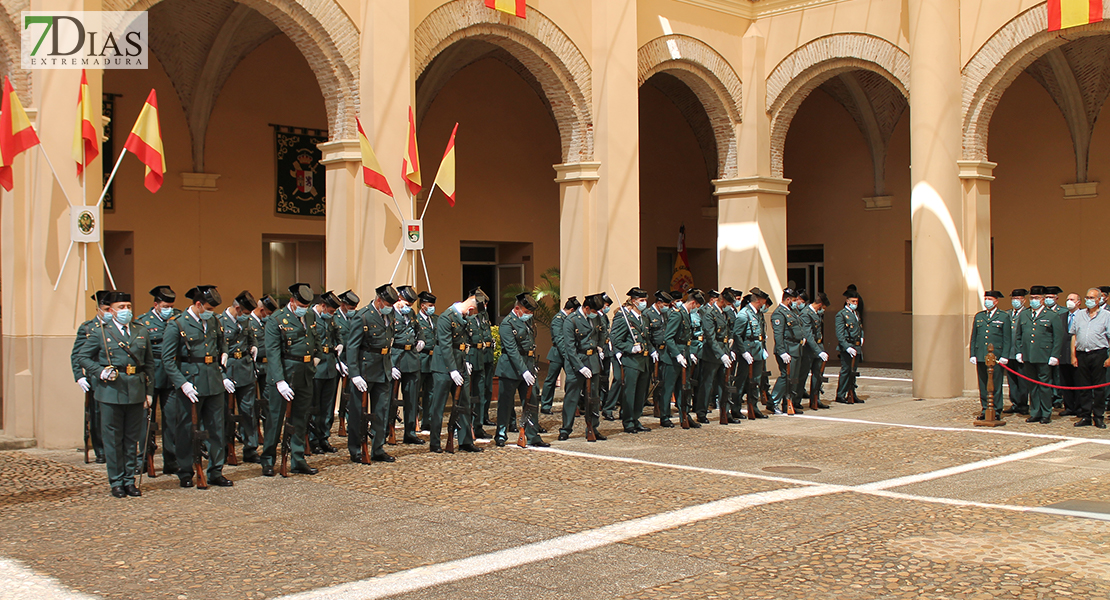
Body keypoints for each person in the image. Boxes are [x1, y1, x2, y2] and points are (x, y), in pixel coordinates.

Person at [77, 292, 155, 497]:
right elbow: (83, 357)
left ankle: (130, 480)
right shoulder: (100, 332)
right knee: (113, 439)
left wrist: (149, 392)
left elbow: (148, 364)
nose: (126, 311)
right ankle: (116, 481)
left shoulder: (140, 331)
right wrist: (99, 371)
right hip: (111, 392)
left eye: (128, 306)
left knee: (131, 439)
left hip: (136, 390)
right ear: (111, 311)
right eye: (121, 307)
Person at [163, 285, 235, 488]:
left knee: (216, 428)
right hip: (190, 382)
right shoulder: (177, 325)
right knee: (186, 429)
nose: (211, 312)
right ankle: (185, 471)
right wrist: (182, 383)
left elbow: (222, 343)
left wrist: (224, 354)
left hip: (213, 380)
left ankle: (215, 471)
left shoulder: (213, 321)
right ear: (197, 304)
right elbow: (168, 360)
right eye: (209, 308)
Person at [262, 283, 321, 475]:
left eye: (307, 305)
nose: (304, 309)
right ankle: (269, 459)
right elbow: (272, 352)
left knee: (300, 417)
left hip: (305, 373)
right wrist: (280, 380)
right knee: (275, 419)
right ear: (292, 302)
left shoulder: (310, 316)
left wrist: (316, 359)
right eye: (301, 305)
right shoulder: (276, 319)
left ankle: (297, 457)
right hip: (285, 374)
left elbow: (315, 339)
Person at [348, 284, 402, 462]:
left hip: (383, 367)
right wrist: (354, 374)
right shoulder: (362, 317)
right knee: (358, 412)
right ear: (378, 300)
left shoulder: (390, 314)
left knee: (381, 411)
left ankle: (378, 447)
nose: (389, 307)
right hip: (365, 369)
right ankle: (357, 448)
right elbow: (352, 347)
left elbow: (389, 341)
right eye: (386, 303)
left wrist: (391, 365)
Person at [428, 291, 482, 453]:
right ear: (471, 307)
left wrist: (465, 363)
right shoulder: (447, 317)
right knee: (438, 405)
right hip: (443, 367)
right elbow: (445, 345)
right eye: (473, 312)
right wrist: (452, 370)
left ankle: (465, 440)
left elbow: (463, 343)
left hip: (459, 364)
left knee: (464, 403)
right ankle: (435, 442)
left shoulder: (464, 317)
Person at [494, 292, 549, 447]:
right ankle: (501, 434)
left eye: (531, 313)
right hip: (510, 369)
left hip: (528, 365)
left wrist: (530, 368)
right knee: (505, 403)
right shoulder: (507, 324)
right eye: (526, 312)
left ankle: (533, 435)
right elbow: (512, 350)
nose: (529, 315)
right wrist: (523, 370)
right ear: (517, 309)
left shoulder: (528, 322)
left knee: (531, 402)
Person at [138, 285, 180, 474]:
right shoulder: (143, 323)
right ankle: (144, 459)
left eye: (171, 306)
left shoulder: (177, 319)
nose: (168, 309)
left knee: (172, 420)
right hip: (151, 376)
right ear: (156, 305)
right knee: (146, 421)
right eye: (165, 306)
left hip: (170, 376)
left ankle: (171, 460)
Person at [558, 294, 607, 441]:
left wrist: (600, 346)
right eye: (593, 311)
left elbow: (602, 331)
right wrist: (580, 367)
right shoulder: (571, 320)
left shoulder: (596, 317)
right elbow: (570, 348)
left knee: (593, 397)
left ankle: (593, 427)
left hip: (593, 360)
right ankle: (566, 428)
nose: (596, 314)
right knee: (572, 397)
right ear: (586, 308)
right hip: (576, 361)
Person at [218, 291, 259, 463]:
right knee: (225, 413)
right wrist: (221, 375)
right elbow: (213, 350)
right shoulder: (219, 322)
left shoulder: (246, 321)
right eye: (246, 313)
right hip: (228, 371)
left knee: (248, 411)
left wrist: (254, 346)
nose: (248, 317)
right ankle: (225, 449)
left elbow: (251, 338)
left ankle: (250, 448)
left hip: (245, 369)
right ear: (237, 308)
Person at [1015, 286, 1065, 425]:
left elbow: (1057, 337)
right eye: (1032, 298)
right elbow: (1019, 335)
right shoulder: (1025, 314)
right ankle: (1035, 412)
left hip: (1044, 355)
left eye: (1036, 298)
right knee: (1032, 385)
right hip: (1029, 355)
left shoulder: (1051, 315)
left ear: (1042, 300)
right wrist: (1019, 351)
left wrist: (1055, 355)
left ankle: (1046, 413)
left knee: (1044, 385)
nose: (1034, 300)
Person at [73, 290, 111, 464]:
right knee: (97, 416)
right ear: (98, 309)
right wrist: (79, 376)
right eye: (106, 308)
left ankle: (112, 448)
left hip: (112, 376)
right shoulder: (88, 328)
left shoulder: (116, 326)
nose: (109, 312)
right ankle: (100, 449)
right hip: (95, 377)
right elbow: (77, 354)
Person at [1069, 288, 1110, 428]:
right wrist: (1073, 355)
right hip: (1082, 354)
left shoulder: (1106, 315)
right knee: (1084, 387)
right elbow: (1073, 335)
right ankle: (1085, 415)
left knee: (1099, 388)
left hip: (1099, 354)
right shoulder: (1079, 315)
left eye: (1092, 298)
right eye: (1087, 297)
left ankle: (1098, 416)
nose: (1089, 300)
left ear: (1099, 300)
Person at [612, 288, 652, 434]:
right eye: (641, 301)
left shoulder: (644, 318)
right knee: (630, 392)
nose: (644, 303)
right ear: (633, 301)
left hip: (644, 361)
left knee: (641, 393)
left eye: (645, 300)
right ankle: (628, 421)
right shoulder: (624, 318)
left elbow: (647, 338)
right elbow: (615, 339)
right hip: (631, 361)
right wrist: (630, 348)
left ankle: (636, 418)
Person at [307, 291, 342, 454]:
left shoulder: (330, 318)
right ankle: (312, 439)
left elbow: (337, 334)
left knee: (328, 406)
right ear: (322, 306)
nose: (332, 315)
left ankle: (324, 438)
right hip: (316, 366)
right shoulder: (309, 317)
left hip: (330, 365)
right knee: (315, 406)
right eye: (330, 311)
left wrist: (340, 344)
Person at [390, 286, 425, 445]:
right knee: (390, 398)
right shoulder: (388, 314)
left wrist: (421, 340)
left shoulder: (410, 314)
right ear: (398, 299)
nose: (408, 308)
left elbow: (418, 329)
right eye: (405, 304)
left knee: (411, 398)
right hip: (396, 357)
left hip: (411, 358)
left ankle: (410, 432)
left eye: (410, 305)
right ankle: (387, 429)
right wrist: (391, 365)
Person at [661, 290, 701, 427]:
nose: (697, 309)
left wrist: (688, 353)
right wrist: (677, 354)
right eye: (697, 306)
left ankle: (685, 413)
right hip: (673, 358)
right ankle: (664, 416)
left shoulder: (686, 314)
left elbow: (686, 338)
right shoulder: (677, 315)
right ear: (693, 303)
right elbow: (669, 337)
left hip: (685, 354)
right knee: (669, 387)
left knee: (684, 387)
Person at [969, 290, 1011, 419]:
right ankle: (985, 408)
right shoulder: (979, 316)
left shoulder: (1003, 316)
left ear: (996, 301)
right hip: (981, 355)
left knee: (995, 383)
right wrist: (973, 354)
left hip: (996, 356)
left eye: (990, 299)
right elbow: (974, 337)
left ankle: (997, 409)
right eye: (986, 298)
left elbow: (1007, 338)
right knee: (983, 383)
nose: (987, 301)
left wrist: (1004, 355)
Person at [696, 290, 733, 422]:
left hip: (724, 352)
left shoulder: (726, 313)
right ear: (721, 301)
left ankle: (726, 411)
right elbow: (710, 338)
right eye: (728, 303)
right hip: (712, 355)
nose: (729, 306)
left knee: (725, 384)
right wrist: (721, 354)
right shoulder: (709, 314)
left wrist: (729, 350)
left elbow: (728, 332)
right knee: (707, 384)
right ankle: (701, 412)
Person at [734, 289, 770, 419]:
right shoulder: (744, 314)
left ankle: (753, 407)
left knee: (755, 381)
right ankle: (735, 408)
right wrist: (743, 352)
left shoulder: (758, 314)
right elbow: (737, 335)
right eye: (763, 301)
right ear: (759, 301)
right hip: (747, 352)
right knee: (741, 381)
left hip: (758, 351)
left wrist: (762, 348)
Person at [465, 288, 495, 438]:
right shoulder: (466, 317)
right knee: (467, 395)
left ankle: (478, 425)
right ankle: (464, 425)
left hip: (482, 357)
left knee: (481, 393)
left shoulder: (483, 316)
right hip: (471, 357)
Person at [541, 297, 578, 415]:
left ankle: (572, 405)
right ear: (571, 310)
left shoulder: (570, 319)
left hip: (569, 354)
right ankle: (546, 405)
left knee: (572, 380)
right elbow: (559, 339)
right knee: (551, 380)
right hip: (558, 354)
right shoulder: (558, 319)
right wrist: (567, 355)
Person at [248, 295, 277, 439]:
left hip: (267, 366)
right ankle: (254, 433)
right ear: (261, 310)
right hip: (254, 364)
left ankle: (269, 433)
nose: (269, 317)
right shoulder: (249, 322)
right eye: (268, 313)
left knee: (268, 401)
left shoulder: (267, 323)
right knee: (253, 403)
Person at [771, 288, 804, 413]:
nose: (796, 303)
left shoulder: (792, 311)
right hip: (787, 349)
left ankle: (788, 403)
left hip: (796, 348)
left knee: (793, 379)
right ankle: (773, 401)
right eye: (794, 300)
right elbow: (778, 335)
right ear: (788, 299)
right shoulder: (779, 313)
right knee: (786, 377)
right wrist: (782, 351)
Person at [798, 292, 830, 410]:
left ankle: (815, 399)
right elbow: (809, 335)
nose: (823, 310)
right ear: (820, 304)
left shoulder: (815, 314)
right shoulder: (806, 314)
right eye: (824, 308)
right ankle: (796, 401)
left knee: (818, 375)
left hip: (818, 346)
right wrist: (818, 351)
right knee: (803, 375)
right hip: (809, 350)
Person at [1003, 288, 1030, 415]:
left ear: (1024, 300)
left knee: (1022, 381)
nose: (1015, 301)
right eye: (1013, 299)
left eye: (1018, 299)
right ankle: (1014, 403)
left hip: (1021, 353)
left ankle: (1023, 404)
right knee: (1012, 380)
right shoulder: (1007, 314)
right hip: (1009, 353)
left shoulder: (1027, 313)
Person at [835, 290, 864, 405]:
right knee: (846, 370)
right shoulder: (841, 314)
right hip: (847, 346)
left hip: (856, 346)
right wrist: (847, 347)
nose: (855, 303)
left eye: (856, 301)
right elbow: (840, 334)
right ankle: (841, 394)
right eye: (853, 301)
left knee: (853, 371)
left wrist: (861, 337)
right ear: (847, 301)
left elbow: (860, 328)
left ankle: (852, 392)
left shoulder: (856, 314)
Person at [415, 291, 437, 428]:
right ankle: (415, 419)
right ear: (422, 306)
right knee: (416, 391)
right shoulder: (416, 320)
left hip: (433, 359)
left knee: (431, 392)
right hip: (421, 358)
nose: (432, 308)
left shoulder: (436, 319)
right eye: (430, 305)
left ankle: (427, 421)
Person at [1060, 292, 1082, 416]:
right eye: (1068, 299)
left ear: (1078, 302)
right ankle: (1068, 406)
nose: (1069, 301)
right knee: (1065, 381)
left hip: (1077, 354)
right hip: (1063, 353)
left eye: (1072, 299)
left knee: (1078, 381)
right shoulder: (1062, 316)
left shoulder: (1083, 315)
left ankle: (1079, 407)